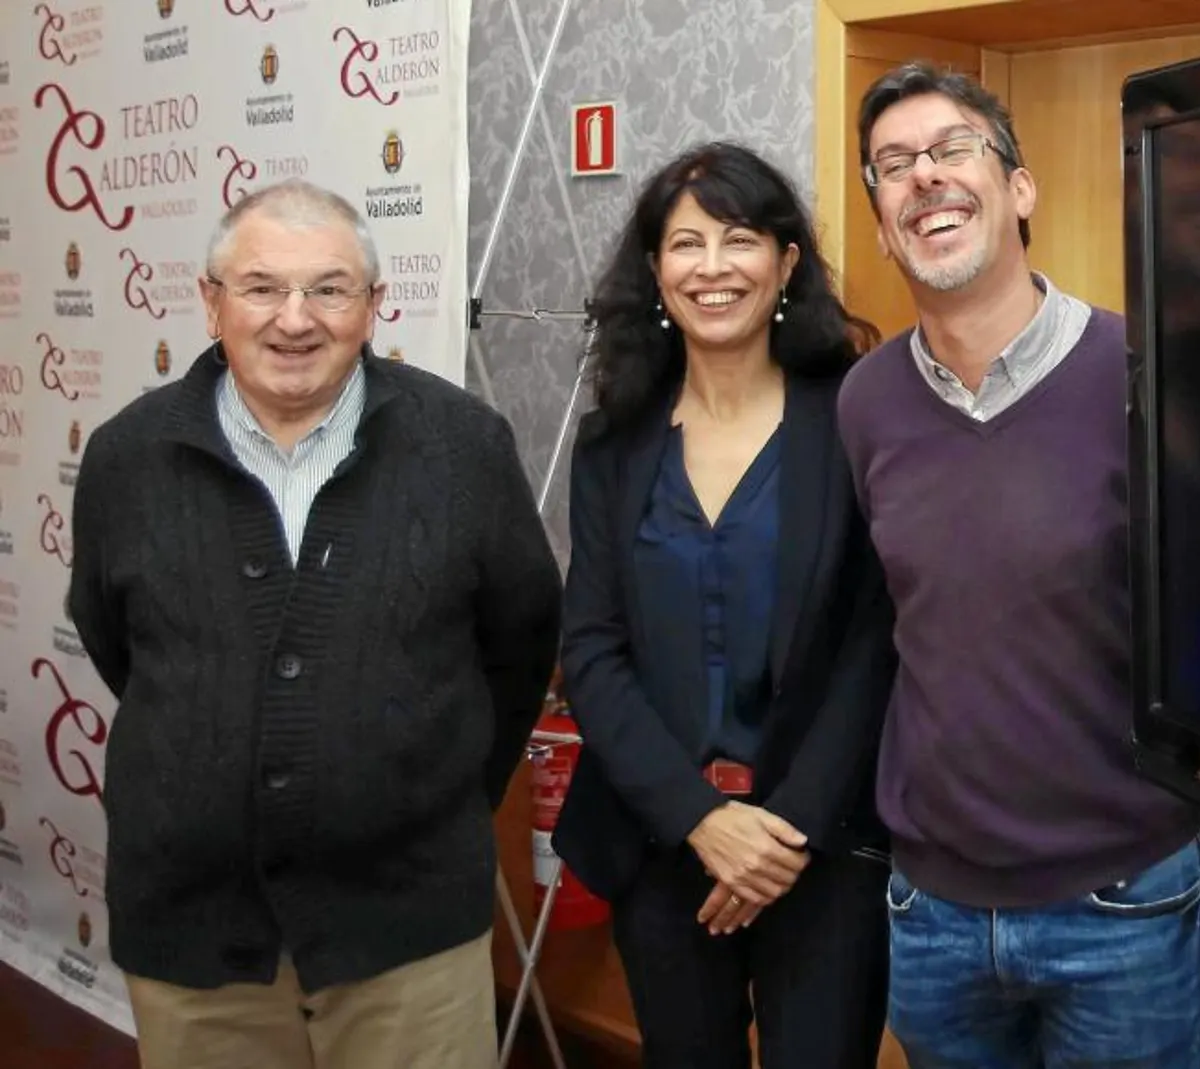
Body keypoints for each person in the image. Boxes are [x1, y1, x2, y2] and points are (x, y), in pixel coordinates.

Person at [65, 178, 563, 1069]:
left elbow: (519, 644)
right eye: (260, 287)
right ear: (211, 303)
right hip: (196, 938)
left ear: (374, 306)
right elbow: (118, 645)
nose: (295, 318)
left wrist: (425, 786)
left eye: (330, 289)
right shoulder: (124, 460)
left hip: (410, 934)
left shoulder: (464, 449)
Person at [838, 62, 1200, 1067]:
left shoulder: (1144, 377)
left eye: (953, 148)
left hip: (1124, 899)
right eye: (893, 164)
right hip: (932, 910)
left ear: (1019, 188)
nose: (925, 176)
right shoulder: (864, 403)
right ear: (879, 221)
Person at [553, 141, 897, 1069]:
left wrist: (778, 836)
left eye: (739, 239)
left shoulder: (854, 420)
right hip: (661, 835)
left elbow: (877, 644)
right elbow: (589, 649)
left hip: (818, 844)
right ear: (655, 271)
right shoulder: (613, 443)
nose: (712, 268)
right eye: (685, 244)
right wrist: (701, 820)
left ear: (786, 262)